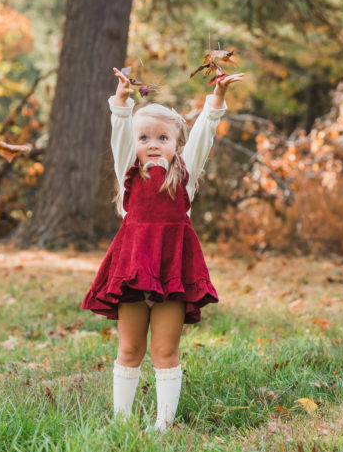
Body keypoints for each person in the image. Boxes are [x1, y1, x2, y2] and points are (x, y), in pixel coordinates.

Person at [82, 67, 244, 432]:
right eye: (144, 137)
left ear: (177, 147)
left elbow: (204, 133)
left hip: (172, 274)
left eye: (162, 138)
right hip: (132, 273)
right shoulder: (128, 171)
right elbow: (119, 133)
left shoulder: (184, 179)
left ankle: (163, 425)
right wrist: (121, 101)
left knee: (165, 352)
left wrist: (215, 102)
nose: (152, 143)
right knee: (129, 349)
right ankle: (122, 423)